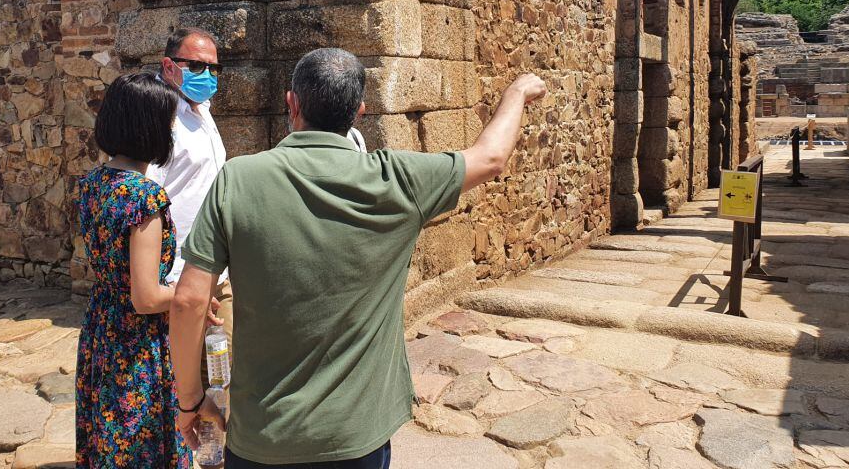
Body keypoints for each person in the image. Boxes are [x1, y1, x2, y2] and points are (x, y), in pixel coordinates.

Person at [169, 48, 547, 468]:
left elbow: (188, 301)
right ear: (359, 114)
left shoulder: (237, 179)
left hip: (262, 435)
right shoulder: (398, 180)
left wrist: (190, 401)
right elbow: (490, 158)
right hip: (356, 437)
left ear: (291, 103)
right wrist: (516, 92)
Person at [75, 72, 217, 468]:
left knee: (111, 439)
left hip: (102, 329)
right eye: (168, 121)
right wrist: (193, 293)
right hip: (138, 346)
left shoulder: (93, 184)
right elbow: (147, 296)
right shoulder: (143, 196)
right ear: (150, 127)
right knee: (144, 446)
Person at [147, 27, 232, 363]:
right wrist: (167, 286)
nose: (208, 75)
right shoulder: (160, 117)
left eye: (214, 68)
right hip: (178, 277)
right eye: (197, 67)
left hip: (215, 268)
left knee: (221, 374)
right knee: (184, 384)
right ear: (169, 66)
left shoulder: (202, 110)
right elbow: (147, 202)